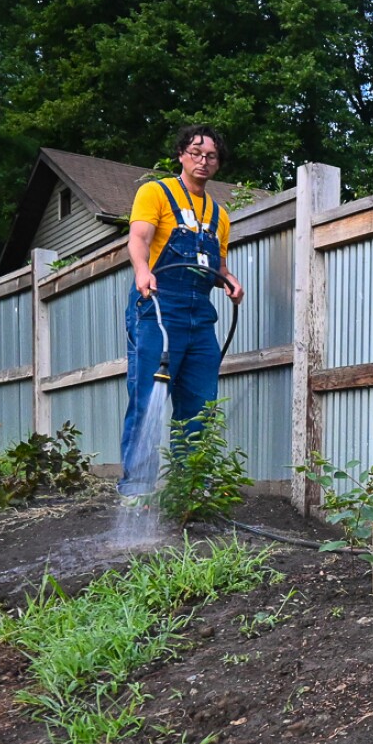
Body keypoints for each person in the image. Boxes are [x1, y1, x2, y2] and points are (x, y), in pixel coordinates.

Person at [119, 124, 245, 497]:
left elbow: (216, 264)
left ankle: (190, 491)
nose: (202, 161)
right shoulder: (155, 192)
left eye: (211, 156)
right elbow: (139, 237)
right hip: (160, 308)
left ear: (218, 163)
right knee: (146, 401)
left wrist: (230, 282)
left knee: (199, 407)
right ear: (181, 155)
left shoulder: (219, 215)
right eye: (196, 153)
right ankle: (136, 490)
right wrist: (142, 270)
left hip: (200, 317)